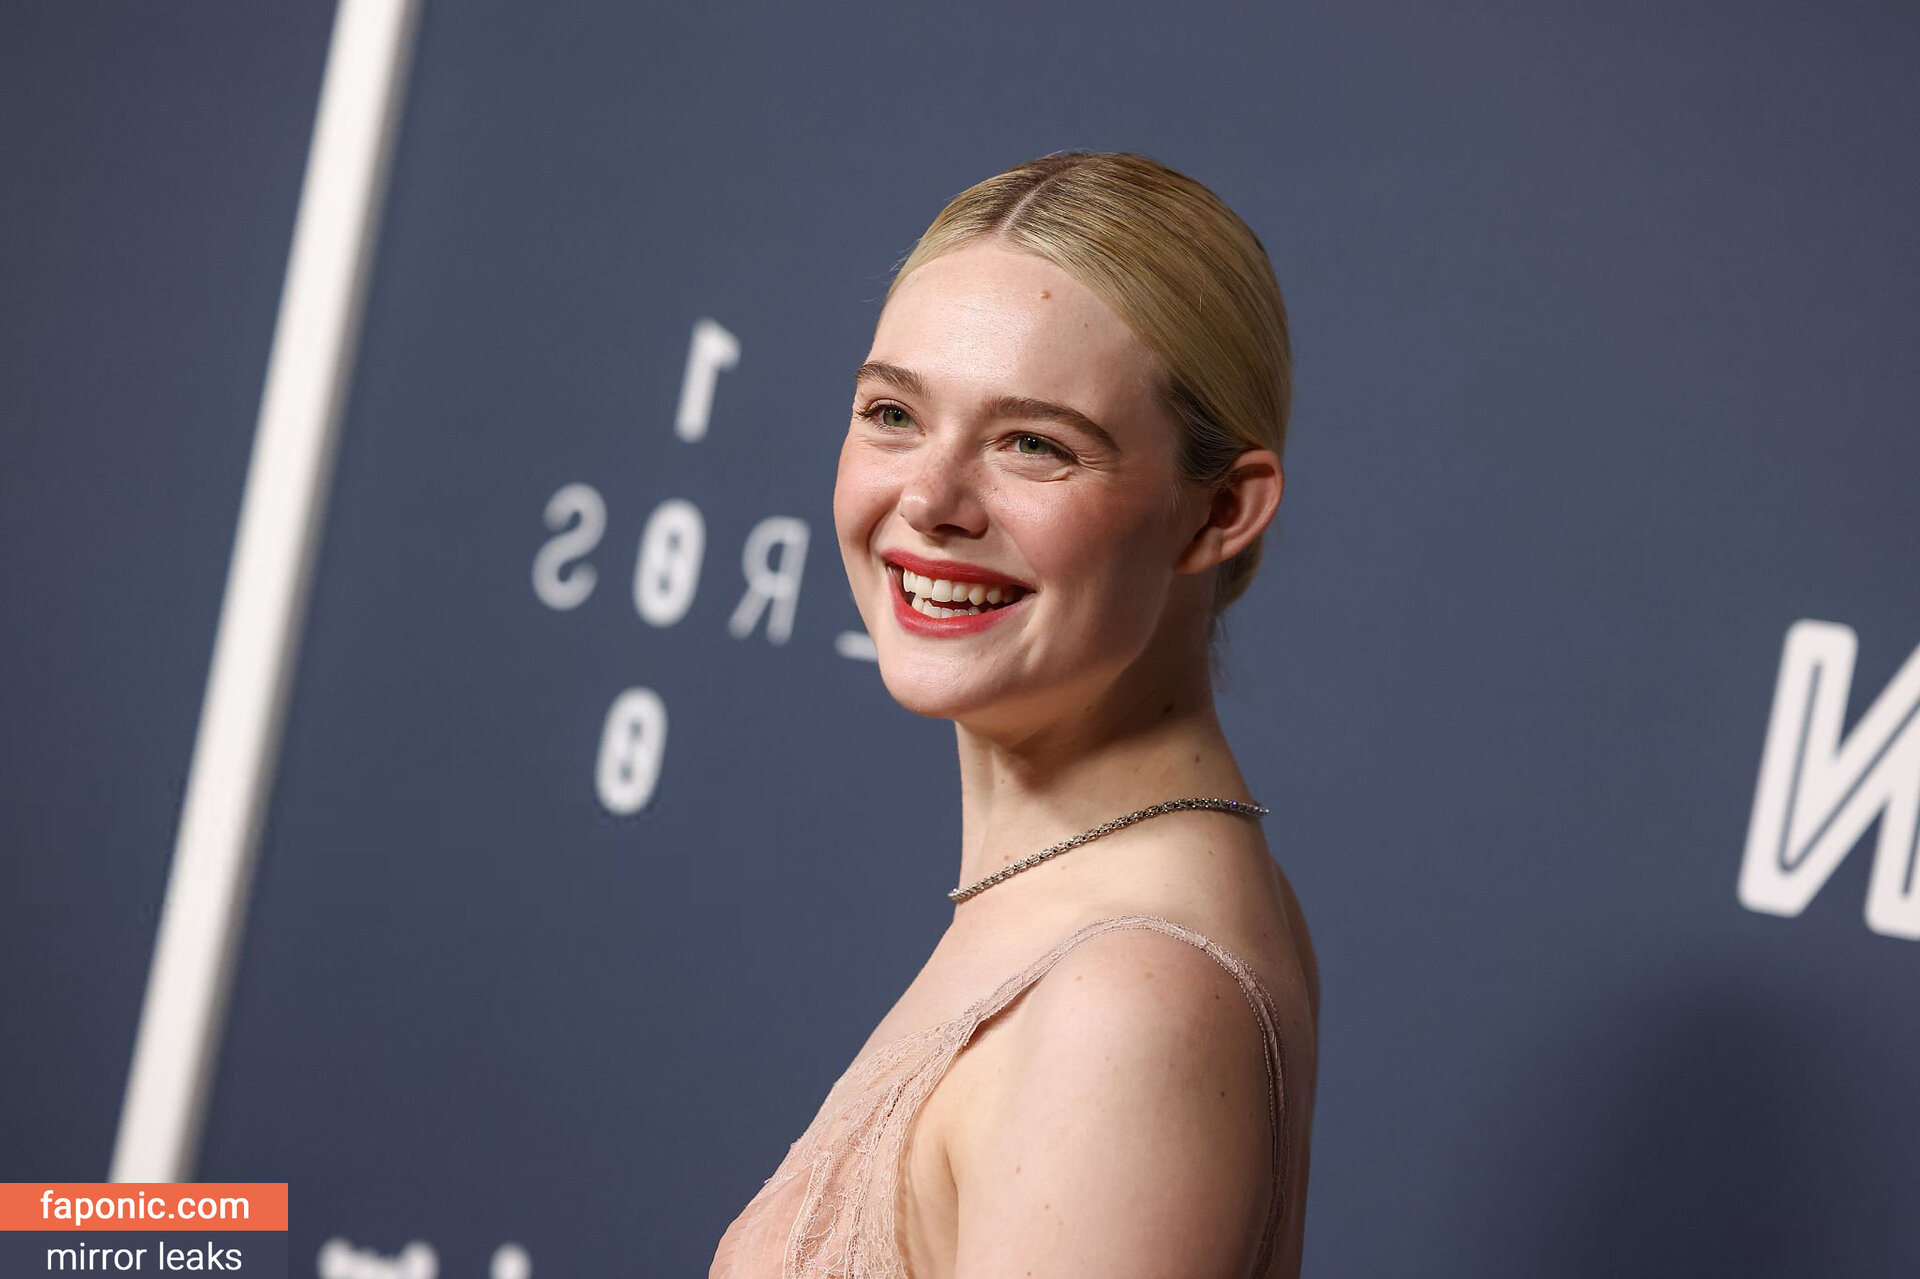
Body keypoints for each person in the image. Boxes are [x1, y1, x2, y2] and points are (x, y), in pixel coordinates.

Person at [711, 150, 1319, 1279]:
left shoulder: (1122, 1007)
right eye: (893, 413)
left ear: (1221, 511)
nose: (929, 500)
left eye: (1033, 443)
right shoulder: (1137, 906)